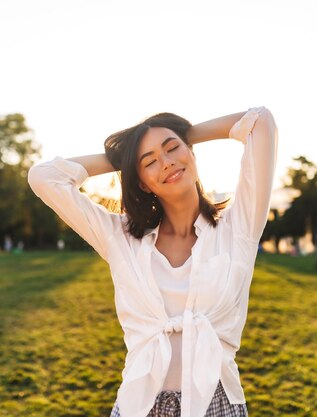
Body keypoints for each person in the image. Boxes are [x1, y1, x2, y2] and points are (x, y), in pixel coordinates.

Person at [28, 107, 277, 417]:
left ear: (191, 152)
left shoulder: (238, 228)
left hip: (217, 405)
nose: (167, 161)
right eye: (150, 162)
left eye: (172, 148)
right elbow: (44, 177)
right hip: (139, 406)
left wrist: (184, 135)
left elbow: (259, 122)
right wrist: (126, 157)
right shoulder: (121, 239)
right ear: (142, 182)